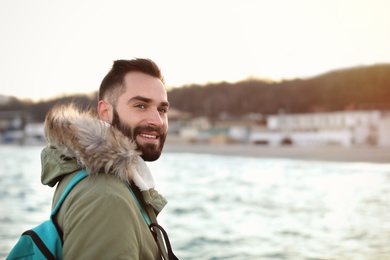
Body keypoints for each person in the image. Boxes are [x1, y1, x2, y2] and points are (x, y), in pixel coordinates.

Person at [41, 58, 175, 259]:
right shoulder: (105, 195)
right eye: (140, 106)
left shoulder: (100, 177)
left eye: (162, 110)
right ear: (105, 112)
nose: (157, 120)